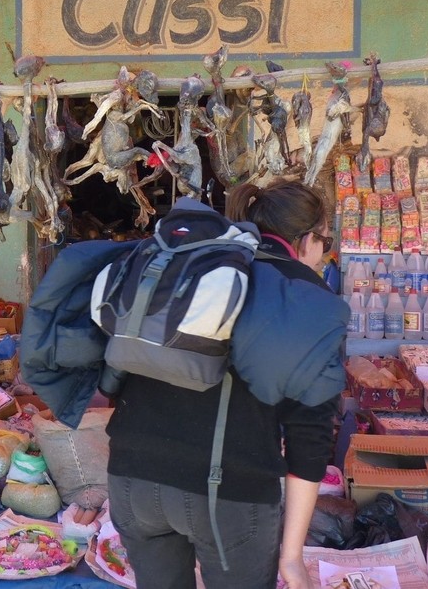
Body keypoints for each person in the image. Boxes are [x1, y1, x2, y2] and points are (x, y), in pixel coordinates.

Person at [105, 180, 348, 589]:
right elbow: (310, 434)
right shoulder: (309, 301)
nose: (323, 256)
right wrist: (291, 558)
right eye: (325, 242)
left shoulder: (196, 268)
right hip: (226, 493)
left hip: (131, 477)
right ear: (306, 240)